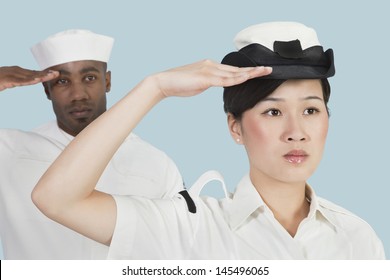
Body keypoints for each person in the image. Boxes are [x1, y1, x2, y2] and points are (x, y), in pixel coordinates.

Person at [32, 22, 385, 259]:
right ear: (235, 127)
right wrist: (155, 87)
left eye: (311, 110)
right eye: (273, 112)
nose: (296, 130)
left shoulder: (357, 237)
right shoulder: (188, 226)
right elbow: (56, 199)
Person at [0, 29, 184, 259]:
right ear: (46, 90)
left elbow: (182, 244)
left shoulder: (156, 163)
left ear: (107, 81)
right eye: (62, 81)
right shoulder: (9, 152)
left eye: (89, 78)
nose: (78, 94)